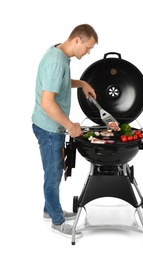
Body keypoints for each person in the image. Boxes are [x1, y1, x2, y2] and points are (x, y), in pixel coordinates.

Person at [32, 24, 98, 238]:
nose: (88, 53)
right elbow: (47, 103)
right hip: (50, 129)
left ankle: (49, 209)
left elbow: (58, 83)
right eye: (88, 48)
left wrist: (82, 83)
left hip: (50, 127)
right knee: (53, 175)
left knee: (54, 171)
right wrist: (70, 126)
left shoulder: (59, 55)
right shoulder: (56, 62)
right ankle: (57, 222)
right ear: (77, 40)